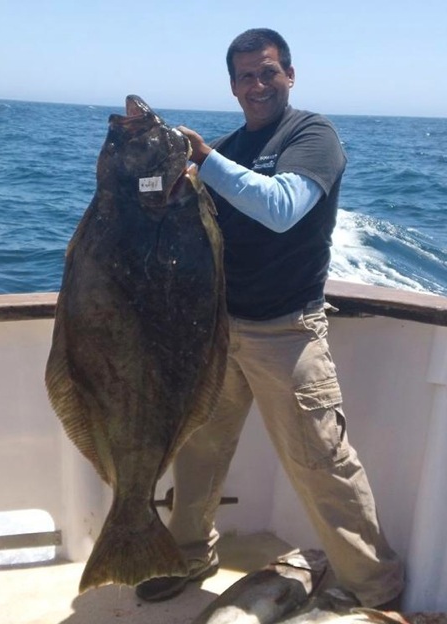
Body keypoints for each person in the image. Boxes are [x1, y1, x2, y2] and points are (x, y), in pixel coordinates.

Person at [136, 28, 404, 609]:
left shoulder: (313, 135)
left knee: (321, 464)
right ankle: (189, 556)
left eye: (269, 72)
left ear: (290, 74)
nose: (258, 85)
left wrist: (203, 159)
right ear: (232, 86)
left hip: (288, 332)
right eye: (246, 76)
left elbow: (282, 209)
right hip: (216, 332)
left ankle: (374, 591)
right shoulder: (229, 147)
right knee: (198, 452)